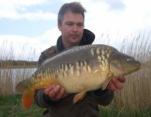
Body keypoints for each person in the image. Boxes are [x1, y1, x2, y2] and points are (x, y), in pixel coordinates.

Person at [34, 2, 126, 117]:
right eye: (70, 24)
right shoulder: (47, 56)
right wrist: (48, 97)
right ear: (59, 25)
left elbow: (106, 101)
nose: (75, 29)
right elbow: (38, 100)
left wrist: (100, 87)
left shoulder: (98, 56)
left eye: (79, 24)